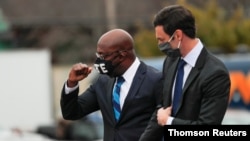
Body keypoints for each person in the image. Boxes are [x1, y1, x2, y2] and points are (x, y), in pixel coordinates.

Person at [139, 5, 231, 140]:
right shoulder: (171, 62)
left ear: (178, 35)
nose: (159, 45)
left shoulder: (215, 73)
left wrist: (169, 122)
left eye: (162, 40)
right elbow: (163, 109)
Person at [60, 28, 163, 141]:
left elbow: (167, 122)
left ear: (122, 54)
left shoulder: (155, 79)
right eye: (98, 55)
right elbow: (71, 113)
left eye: (103, 56)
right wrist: (72, 83)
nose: (100, 61)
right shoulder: (103, 82)